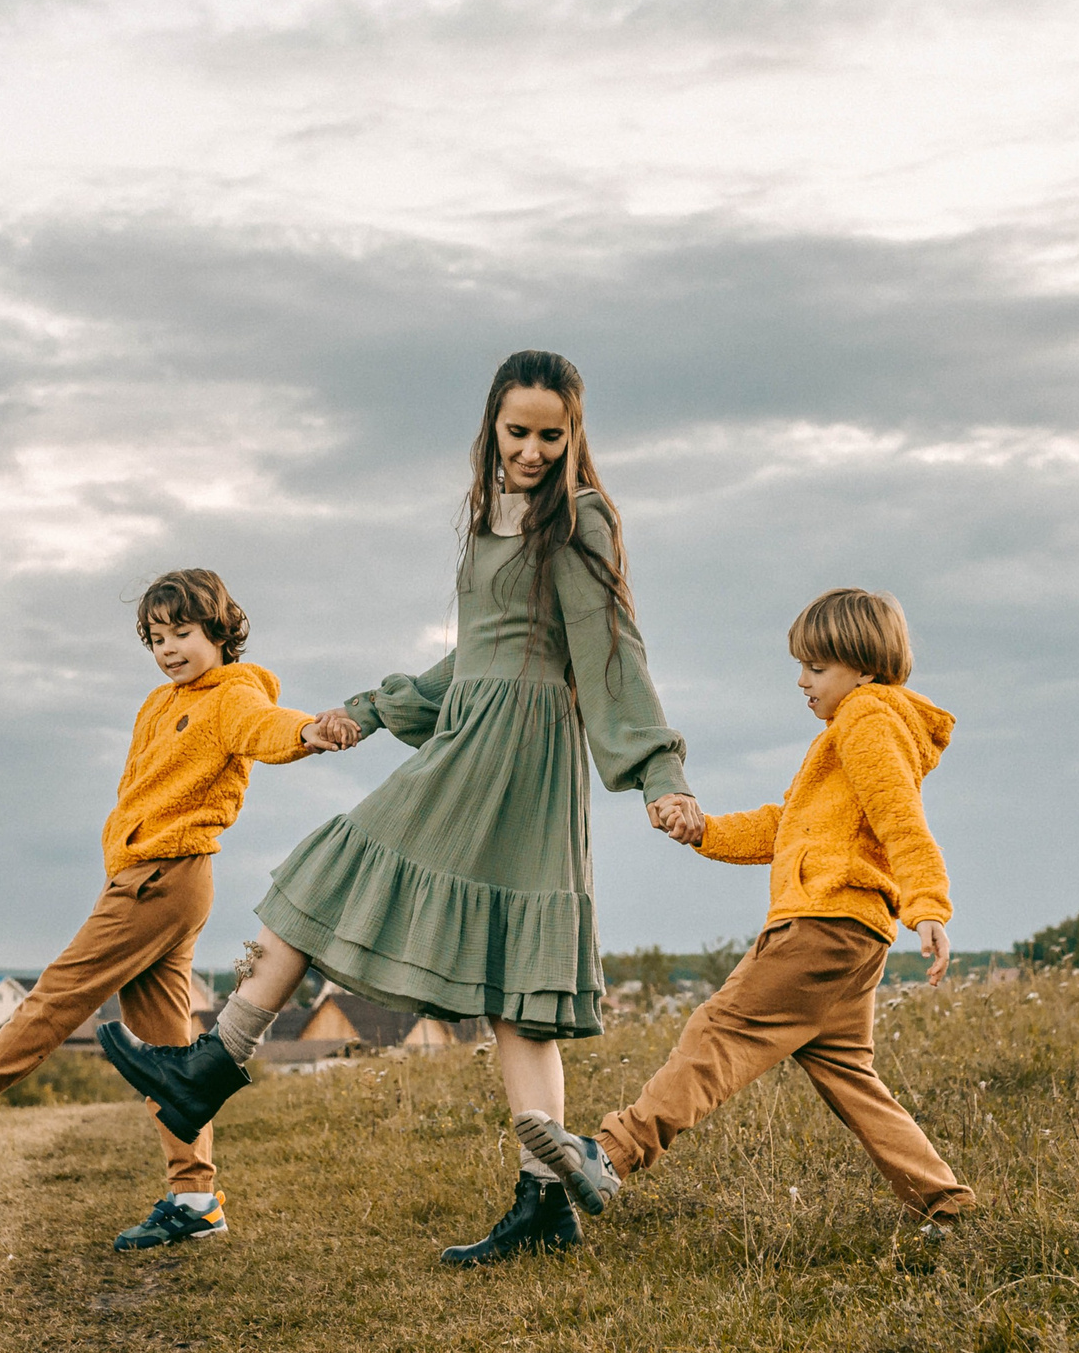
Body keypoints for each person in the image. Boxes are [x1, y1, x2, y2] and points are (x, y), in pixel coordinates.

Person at [97, 349, 702, 1265]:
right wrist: (377, 710)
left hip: (515, 751)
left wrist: (659, 773)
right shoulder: (486, 517)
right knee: (504, 975)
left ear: (574, 435)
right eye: (517, 431)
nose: (532, 450)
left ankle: (210, 1063)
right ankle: (545, 1205)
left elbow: (611, 647)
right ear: (491, 426)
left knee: (339, 869)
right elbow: (476, 656)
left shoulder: (579, 518)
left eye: (551, 433)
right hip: (475, 724)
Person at [0, 568, 358, 1251]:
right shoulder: (158, 702)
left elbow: (265, 727)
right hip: (148, 877)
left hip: (163, 879)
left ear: (218, 630)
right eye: (156, 637)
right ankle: (194, 1197)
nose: (169, 648)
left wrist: (309, 734)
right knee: (169, 1056)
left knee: (58, 993)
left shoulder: (233, 693)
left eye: (182, 632)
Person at [513, 587, 976, 1230]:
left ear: (864, 668)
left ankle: (610, 1155)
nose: (802, 681)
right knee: (851, 1077)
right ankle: (946, 1203)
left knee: (718, 1031)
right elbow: (785, 827)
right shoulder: (854, 730)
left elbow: (902, 820)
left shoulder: (868, 719)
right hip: (855, 937)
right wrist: (704, 828)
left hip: (821, 925)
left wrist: (929, 905)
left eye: (816, 668)